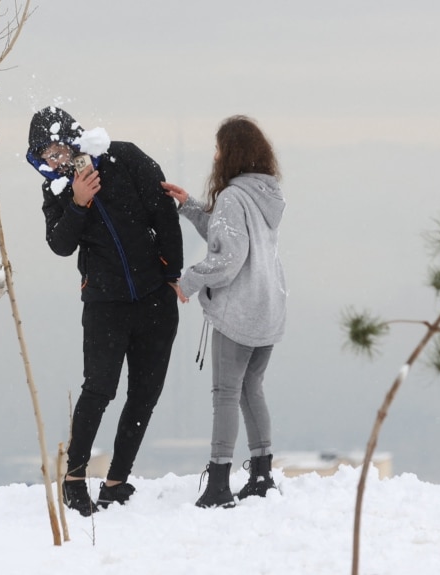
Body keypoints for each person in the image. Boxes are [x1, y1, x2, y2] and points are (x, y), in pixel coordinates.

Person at [25, 106, 183, 516]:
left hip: (154, 299)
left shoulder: (125, 157)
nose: (54, 162)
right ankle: (74, 479)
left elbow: (163, 211)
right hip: (104, 303)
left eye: (58, 151)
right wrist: (79, 203)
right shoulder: (56, 191)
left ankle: (116, 482)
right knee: (99, 389)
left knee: (145, 393)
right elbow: (60, 245)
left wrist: (173, 272)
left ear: (74, 142)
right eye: (45, 156)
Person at [162, 115, 286, 508]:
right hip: (269, 308)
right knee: (251, 389)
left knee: (225, 394)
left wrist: (187, 282)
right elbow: (226, 233)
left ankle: (218, 485)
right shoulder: (263, 195)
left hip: (239, 312)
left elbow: (228, 259)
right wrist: (189, 207)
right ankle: (262, 474)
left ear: (231, 153)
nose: (214, 156)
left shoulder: (234, 197)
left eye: (218, 148)